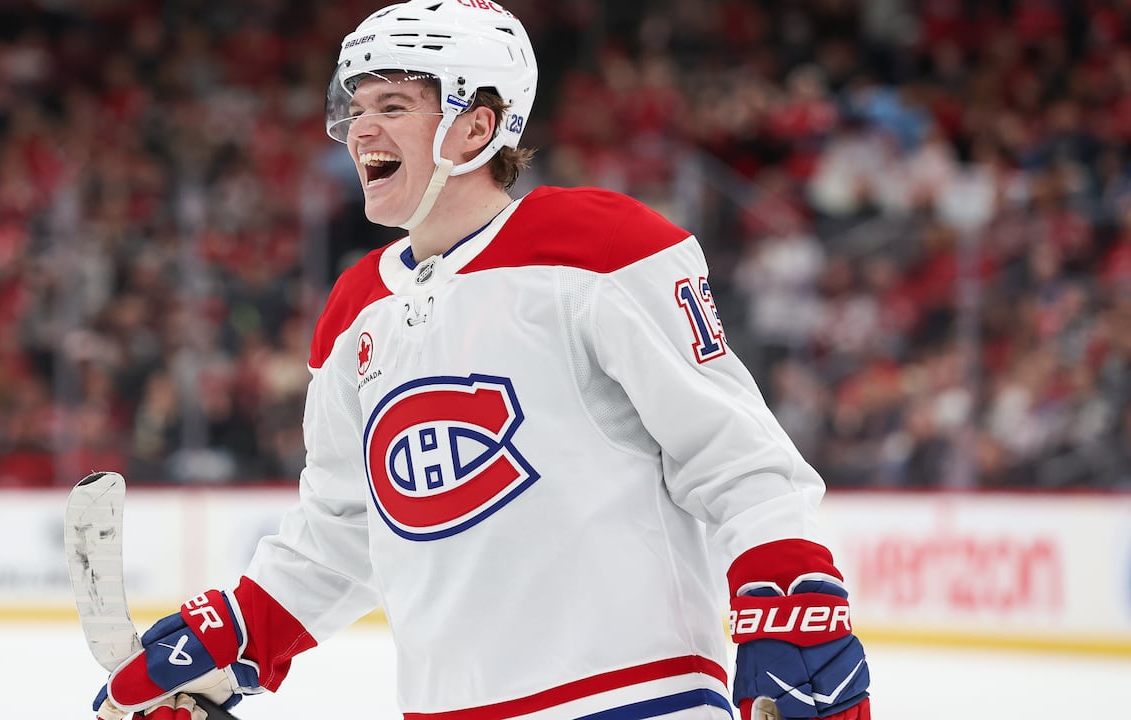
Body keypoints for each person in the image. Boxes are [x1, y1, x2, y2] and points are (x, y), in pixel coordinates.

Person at [91, 2, 872, 719]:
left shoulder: (594, 249)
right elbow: (345, 530)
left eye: (393, 106)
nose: (361, 130)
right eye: (355, 108)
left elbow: (736, 456)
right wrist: (236, 637)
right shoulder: (354, 310)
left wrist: (791, 596)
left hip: (639, 698)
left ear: (476, 127)